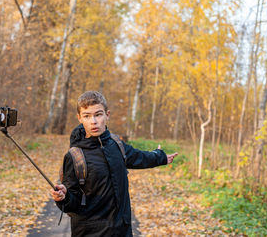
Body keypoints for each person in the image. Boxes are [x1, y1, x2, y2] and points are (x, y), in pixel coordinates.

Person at [51, 91, 178, 236]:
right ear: (79, 118)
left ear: (107, 115)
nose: (93, 121)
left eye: (98, 114)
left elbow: (138, 157)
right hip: (90, 233)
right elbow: (72, 202)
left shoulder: (117, 144)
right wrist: (64, 197)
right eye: (87, 116)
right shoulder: (74, 156)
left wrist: (159, 157)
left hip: (122, 230)